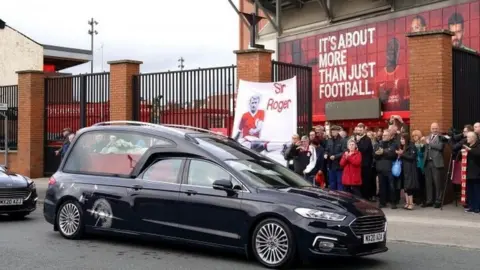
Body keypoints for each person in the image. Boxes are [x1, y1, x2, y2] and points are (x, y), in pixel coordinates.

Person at [423, 122, 446, 208]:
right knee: (428, 183)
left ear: (438, 129)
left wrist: (429, 143)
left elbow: (440, 147)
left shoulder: (441, 138)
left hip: (436, 163)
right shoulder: (427, 137)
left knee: (437, 183)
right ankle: (429, 200)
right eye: (433, 128)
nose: (434, 130)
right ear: (430, 129)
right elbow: (425, 148)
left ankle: (438, 201)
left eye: (436, 128)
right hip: (427, 162)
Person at [375, 130, 398, 208]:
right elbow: (375, 155)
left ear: (390, 136)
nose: (383, 136)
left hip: (389, 168)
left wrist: (383, 152)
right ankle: (382, 202)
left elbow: (393, 154)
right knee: (382, 186)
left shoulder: (393, 144)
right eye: (383, 135)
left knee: (391, 186)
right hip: (380, 168)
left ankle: (393, 202)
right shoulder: (378, 143)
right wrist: (386, 152)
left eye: (385, 135)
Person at [397, 133, 419, 210]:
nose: (401, 141)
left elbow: (412, 157)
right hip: (404, 168)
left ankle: (411, 203)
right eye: (400, 139)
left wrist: (402, 154)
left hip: (410, 169)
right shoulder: (403, 147)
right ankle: (407, 202)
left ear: (406, 139)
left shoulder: (412, 146)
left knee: (409, 187)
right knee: (405, 186)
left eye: (402, 139)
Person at [325, 125, 347, 191]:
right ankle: (332, 197)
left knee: (339, 182)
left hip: (339, 165)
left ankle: (340, 198)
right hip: (331, 165)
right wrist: (326, 154)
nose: (333, 132)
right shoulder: (329, 140)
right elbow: (326, 149)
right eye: (332, 131)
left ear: (338, 131)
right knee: (332, 183)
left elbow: (344, 152)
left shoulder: (342, 140)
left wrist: (335, 156)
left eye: (334, 131)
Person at [463, 131, 480, 213]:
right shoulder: (468, 146)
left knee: (476, 190)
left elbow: (478, 153)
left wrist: (469, 150)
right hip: (468, 172)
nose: (467, 139)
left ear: (473, 138)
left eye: (468, 137)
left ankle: (477, 207)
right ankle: (471, 206)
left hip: (476, 172)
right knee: (469, 190)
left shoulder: (478, 145)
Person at [355, 123, 373, 199]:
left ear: (364, 130)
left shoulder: (367, 139)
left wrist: (358, 142)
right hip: (357, 164)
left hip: (365, 164)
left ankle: (366, 197)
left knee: (365, 181)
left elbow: (364, 149)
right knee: (358, 182)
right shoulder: (354, 138)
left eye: (361, 130)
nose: (359, 131)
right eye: (358, 130)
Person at [412, 130, 426, 205]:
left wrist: (417, 150)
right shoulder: (413, 144)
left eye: (416, 135)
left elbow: (422, 155)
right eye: (413, 136)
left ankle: (422, 199)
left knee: (421, 183)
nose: (415, 137)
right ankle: (417, 199)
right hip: (414, 166)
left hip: (420, 165)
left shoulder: (422, 145)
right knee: (416, 183)